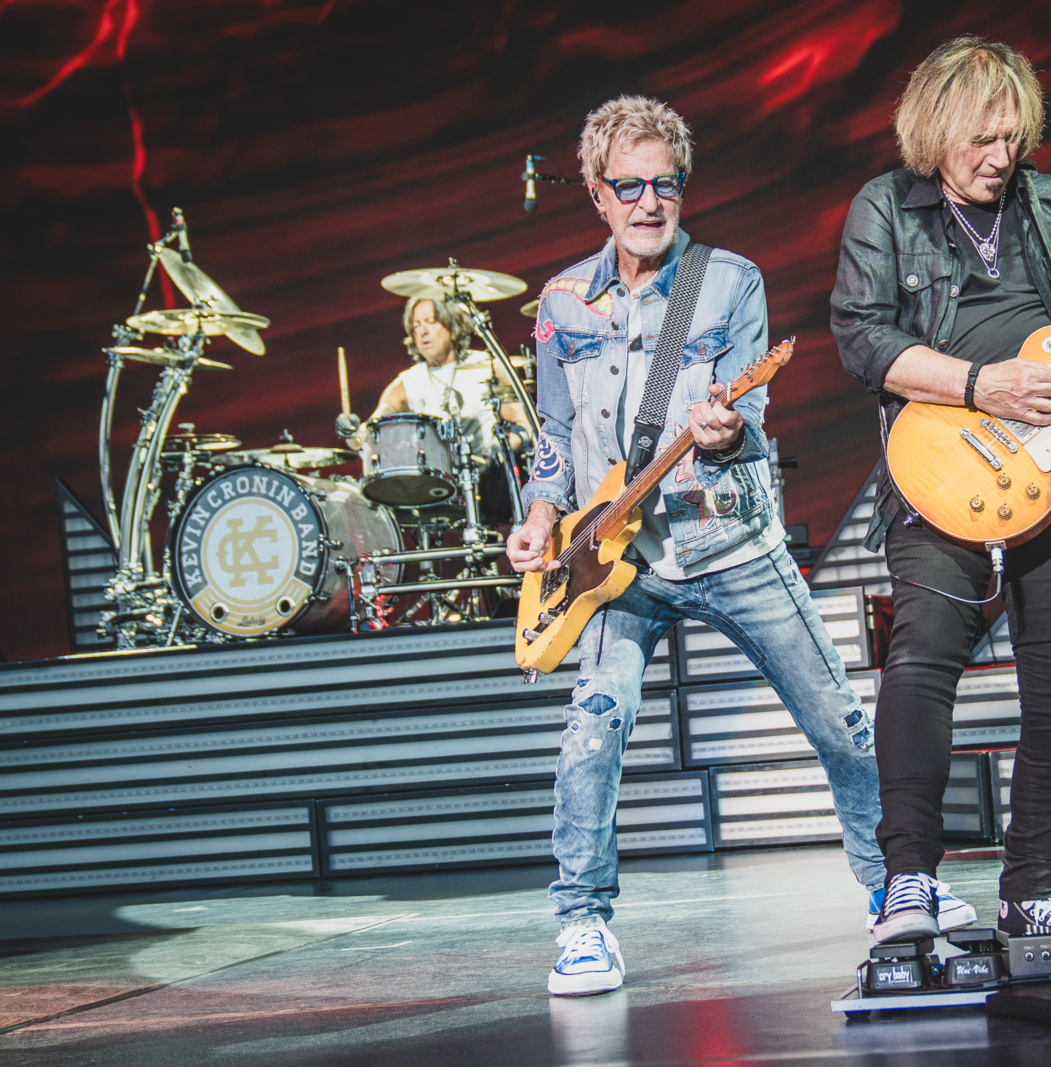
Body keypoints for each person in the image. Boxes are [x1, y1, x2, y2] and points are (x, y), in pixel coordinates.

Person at [505, 96, 972, 997]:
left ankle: (893, 890)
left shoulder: (727, 283)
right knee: (591, 735)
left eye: (666, 183)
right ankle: (582, 923)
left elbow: (749, 418)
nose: (650, 201)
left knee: (839, 720)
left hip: (725, 536)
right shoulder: (562, 301)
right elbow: (556, 439)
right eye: (630, 186)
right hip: (613, 562)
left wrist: (720, 433)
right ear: (599, 196)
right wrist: (537, 512)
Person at [830, 38, 1051, 943]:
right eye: (982, 139)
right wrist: (983, 387)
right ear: (934, 129)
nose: (1000, 157)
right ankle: (908, 879)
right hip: (942, 455)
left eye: (1013, 139)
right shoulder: (886, 209)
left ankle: (1030, 883)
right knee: (922, 661)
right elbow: (863, 340)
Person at [336, 297, 534, 517]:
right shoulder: (406, 384)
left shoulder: (488, 368)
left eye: (430, 321)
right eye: (416, 325)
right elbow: (368, 436)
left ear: (451, 325)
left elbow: (524, 426)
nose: (422, 331)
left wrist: (500, 448)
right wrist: (351, 433)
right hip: (435, 490)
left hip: (489, 482)